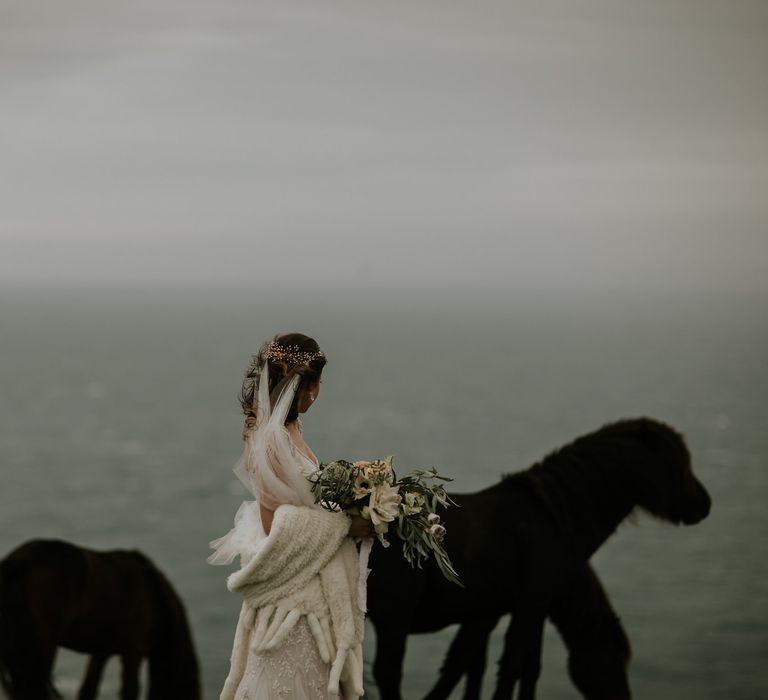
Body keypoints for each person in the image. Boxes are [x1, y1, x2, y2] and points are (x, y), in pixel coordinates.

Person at [209, 333, 372, 700]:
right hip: (294, 598)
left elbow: (303, 501)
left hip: (309, 574)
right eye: (317, 384)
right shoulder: (270, 440)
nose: (318, 393)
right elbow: (274, 524)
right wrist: (347, 524)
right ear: (306, 387)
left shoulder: (290, 427)